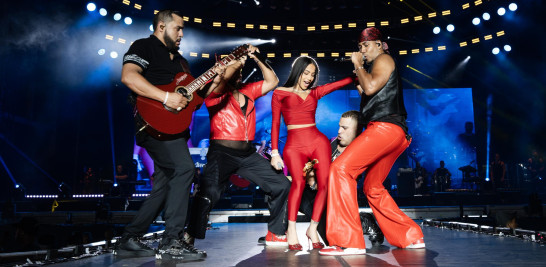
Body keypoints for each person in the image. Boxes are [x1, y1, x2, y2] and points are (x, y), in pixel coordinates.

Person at [115, 10, 226, 260]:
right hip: (151, 125)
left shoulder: (180, 62)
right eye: (178, 28)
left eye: (183, 29)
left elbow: (194, 101)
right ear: (162, 26)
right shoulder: (144, 46)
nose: (182, 34)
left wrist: (216, 79)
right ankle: (171, 241)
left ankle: (129, 239)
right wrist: (166, 97)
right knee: (185, 169)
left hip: (173, 130)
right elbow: (128, 76)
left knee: (164, 186)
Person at [320, 27, 424, 256]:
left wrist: (358, 65)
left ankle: (348, 241)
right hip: (394, 132)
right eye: (359, 47)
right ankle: (410, 235)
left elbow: (370, 87)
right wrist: (360, 76)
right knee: (372, 187)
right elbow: (369, 92)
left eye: (365, 46)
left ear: (379, 44)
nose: (362, 51)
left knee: (340, 169)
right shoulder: (377, 66)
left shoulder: (384, 59)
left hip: (385, 129)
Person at [185, 45, 291, 247]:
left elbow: (273, 81)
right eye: (236, 69)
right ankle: (189, 236)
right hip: (221, 153)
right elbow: (223, 79)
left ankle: (275, 233)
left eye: (241, 70)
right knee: (209, 193)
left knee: (281, 184)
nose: (240, 72)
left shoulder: (248, 90)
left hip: (247, 153)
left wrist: (256, 58)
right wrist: (237, 61)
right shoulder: (214, 92)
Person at [270, 56, 356, 250]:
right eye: (306, 73)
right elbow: (275, 123)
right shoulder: (280, 93)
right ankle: (291, 230)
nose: (309, 78)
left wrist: (359, 71)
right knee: (298, 184)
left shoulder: (315, 93)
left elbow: (340, 83)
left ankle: (313, 228)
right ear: (297, 71)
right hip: (294, 145)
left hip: (318, 142)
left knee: (324, 185)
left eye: (313, 74)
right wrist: (275, 152)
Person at [302, 110, 384, 247]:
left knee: (336, 242)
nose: (339, 131)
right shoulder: (330, 146)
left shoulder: (360, 151)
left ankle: (364, 221)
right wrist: (309, 177)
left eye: (345, 128)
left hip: (337, 203)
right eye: (339, 126)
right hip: (318, 197)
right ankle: (277, 232)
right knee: (286, 188)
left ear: (358, 131)